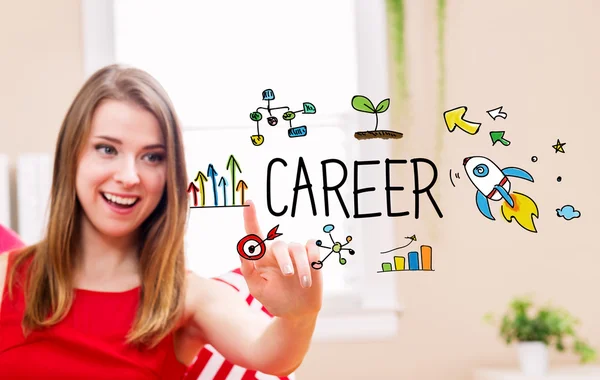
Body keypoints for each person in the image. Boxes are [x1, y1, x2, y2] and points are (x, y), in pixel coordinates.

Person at [0, 64, 323, 379]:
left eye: (152, 156)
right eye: (107, 149)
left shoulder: (187, 296)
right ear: (72, 157)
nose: (128, 177)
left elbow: (270, 353)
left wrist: (298, 315)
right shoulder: (6, 276)